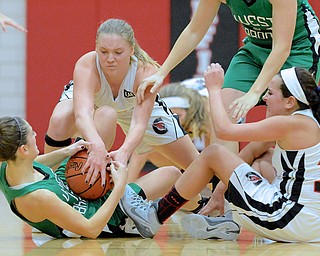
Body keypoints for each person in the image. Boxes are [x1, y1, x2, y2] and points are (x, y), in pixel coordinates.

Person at [120, 64, 320, 242]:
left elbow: (224, 131)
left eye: (270, 93)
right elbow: (251, 150)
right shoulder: (308, 120)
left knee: (214, 153)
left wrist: (214, 89)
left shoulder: (291, 124)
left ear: (290, 102)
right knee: (263, 157)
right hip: (310, 223)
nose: (264, 98)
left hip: (289, 218)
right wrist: (219, 191)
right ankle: (229, 218)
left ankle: (156, 215)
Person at [44, 19, 202, 211]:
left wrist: (124, 153)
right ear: (96, 48)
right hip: (96, 104)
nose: (110, 58)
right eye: (103, 52)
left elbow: (138, 124)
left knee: (197, 166)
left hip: (132, 109)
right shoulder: (87, 64)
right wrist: (97, 146)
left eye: (118, 52)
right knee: (61, 119)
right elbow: (82, 114)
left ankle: (200, 208)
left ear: (131, 50)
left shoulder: (145, 71)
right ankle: (48, 188)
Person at [136, 0, 320, 156]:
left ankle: (289, 185)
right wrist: (162, 72)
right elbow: (194, 31)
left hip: (299, 48)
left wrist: (255, 92)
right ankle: (224, 190)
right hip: (256, 47)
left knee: (282, 119)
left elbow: (282, 47)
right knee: (223, 113)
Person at [0, 116, 192, 239]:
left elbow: (34, 163)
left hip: (71, 188)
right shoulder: (38, 197)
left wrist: (68, 151)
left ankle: (198, 206)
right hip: (98, 215)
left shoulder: (8, 167)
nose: (35, 134)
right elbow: (91, 229)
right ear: (24, 149)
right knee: (172, 174)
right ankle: (186, 211)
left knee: (105, 116)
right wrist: (119, 186)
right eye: (32, 133)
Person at [127, 82, 211, 182]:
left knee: (210, 164)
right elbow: (138, 155)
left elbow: (214, 150)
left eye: (178, 115)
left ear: (189, 112)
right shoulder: (158, 111)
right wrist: (126, 187)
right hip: (186, 92)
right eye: (168, 117)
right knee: (149, 143)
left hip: (217, 105)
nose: (173, 120)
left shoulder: (206, 112)